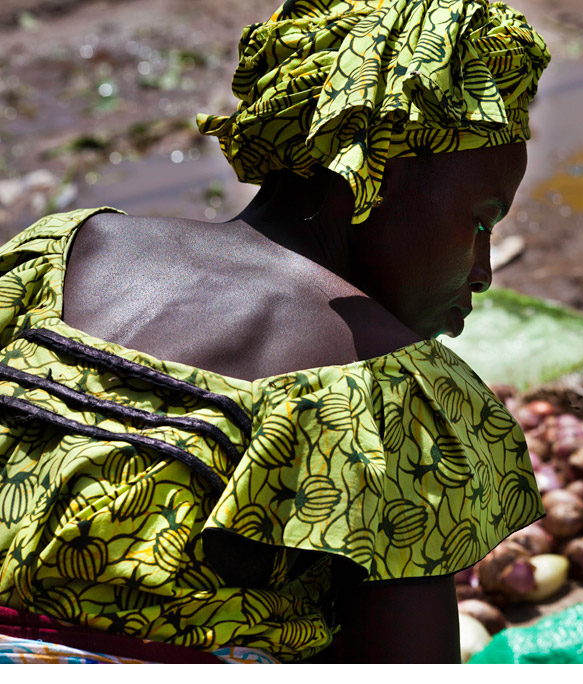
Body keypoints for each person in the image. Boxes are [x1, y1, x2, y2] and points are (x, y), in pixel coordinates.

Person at [0, 0, 549, 664]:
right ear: (378, 173)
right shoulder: (391, 391)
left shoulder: (57, 253)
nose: (484, 271)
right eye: (482, 223)